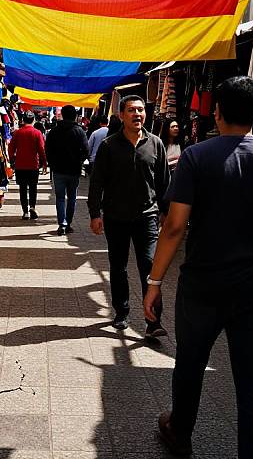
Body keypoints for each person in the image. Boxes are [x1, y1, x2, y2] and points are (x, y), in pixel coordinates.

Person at [143, 76, 253, 459]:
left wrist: (155, 281)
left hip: (204, 282)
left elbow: (174, 226)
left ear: (217, 112)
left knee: (190, 362)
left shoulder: (196, 156)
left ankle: (180, 432)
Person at [87, 95, 170, 337]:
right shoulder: (109, 145)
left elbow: (165, 182)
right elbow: (97, 182)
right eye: (132, 110)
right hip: (116, 217)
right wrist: (95, 214)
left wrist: (167, 212)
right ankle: (122, 311)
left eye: (141, 110)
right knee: (119, 266)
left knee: (150, 267)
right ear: (121, 115)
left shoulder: (156, 144)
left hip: (148, 216)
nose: (137, 114)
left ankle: (153, 322)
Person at [46, 105, 89, 235]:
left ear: (62, 115)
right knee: (72, 198)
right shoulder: (79, 131)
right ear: (75, 116)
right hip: (73, 170)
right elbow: (86, 151)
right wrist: (79, 161)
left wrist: (52, 164)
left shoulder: (54, 131)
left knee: (59, 198)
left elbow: (48, 150)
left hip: (58, 170)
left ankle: (62, 224)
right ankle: (68, 223)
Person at [8, 111, 47, 220]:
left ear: (23, 120)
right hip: (33, 165)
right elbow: (41, 149)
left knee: (23, 189)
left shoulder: (17, 133)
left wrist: (12, 161)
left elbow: (11, 148)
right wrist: (44, 163)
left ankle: (25, 212)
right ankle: (32, 207)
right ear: (33, 120)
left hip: (20, 165)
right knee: (33, 188)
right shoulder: (37, 133)